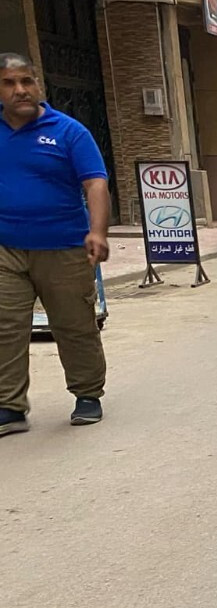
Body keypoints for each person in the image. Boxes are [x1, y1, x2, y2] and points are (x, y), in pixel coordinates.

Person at [0, 52, 111, 437]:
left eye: (27, 81)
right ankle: (10, 406)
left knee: (74, 324)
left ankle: (87, 395)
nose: (20, 90)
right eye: (10, 83)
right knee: (6, 327)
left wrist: (97, 232)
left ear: (37, 84)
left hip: (64, 247)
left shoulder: (68, 131)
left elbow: (95, 182)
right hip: (6, 248)